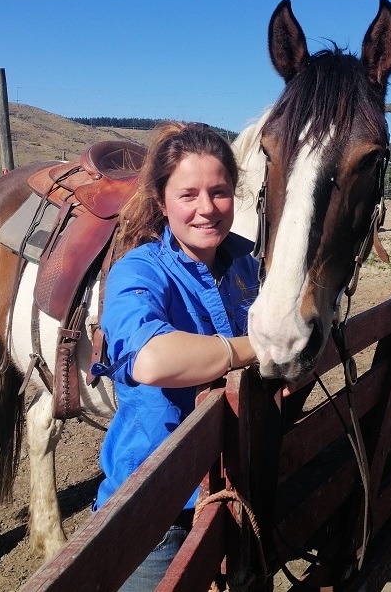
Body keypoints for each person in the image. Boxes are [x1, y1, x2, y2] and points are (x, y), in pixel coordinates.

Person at [91, 121, 259, 590]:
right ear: (161, 202)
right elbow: (152, 360)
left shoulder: (248, 265)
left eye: (219, 192)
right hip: (160, 505)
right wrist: (255, 347)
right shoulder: (139, 272)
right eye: (188, 195)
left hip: (238, 485)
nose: (207, 209)